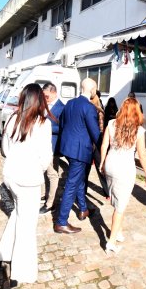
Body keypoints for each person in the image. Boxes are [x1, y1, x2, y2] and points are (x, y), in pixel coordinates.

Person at [0, 84, 53, 285]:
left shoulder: (13, 118)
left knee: (18, 214)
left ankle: (3, 254)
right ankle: (20, 272)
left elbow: (5, 148)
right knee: (27, 226)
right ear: (40, 101)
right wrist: (37, 168)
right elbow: (46, 156)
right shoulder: (42, 123)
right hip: (29, 179)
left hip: (11, 175)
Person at [100, 97, 146, 254]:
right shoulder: (139, 130)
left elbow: (104, 145)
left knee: (116, 199)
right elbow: (142, 155)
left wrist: (102, 163)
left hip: (110, 164)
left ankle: (118, 231)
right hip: (125, 169)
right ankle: (111, 241)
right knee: (120, 206)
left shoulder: (111, 123)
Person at [53, 78, 101, 234]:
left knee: (78, 180)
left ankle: (83, 209)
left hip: (67, 147)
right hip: (80, 151)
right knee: (72, 184)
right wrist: (104, 148)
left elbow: (62, 124)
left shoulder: (69, 103)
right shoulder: (89, 107)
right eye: (95, 89)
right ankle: (61, 222)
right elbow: (95, 133)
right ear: (92, 89)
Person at [39, 82, 65, 215]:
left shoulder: (62, 108)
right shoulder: (43, 105)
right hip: (41, 144)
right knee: (41, 171)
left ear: (54, 92)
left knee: (52, 174)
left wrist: (45, 126)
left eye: (46, 95)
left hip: (53, 146)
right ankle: (42, 195)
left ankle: (50, 203)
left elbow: (62, 128)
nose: (45, 98)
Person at [86, 94, 110, 198]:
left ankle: (107, 191)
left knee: (100, 169)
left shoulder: (99, 111)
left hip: (95, 143)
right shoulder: (89, 109)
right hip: (90, 143)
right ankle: (83, 191)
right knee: (86, 170)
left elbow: (100, 130)